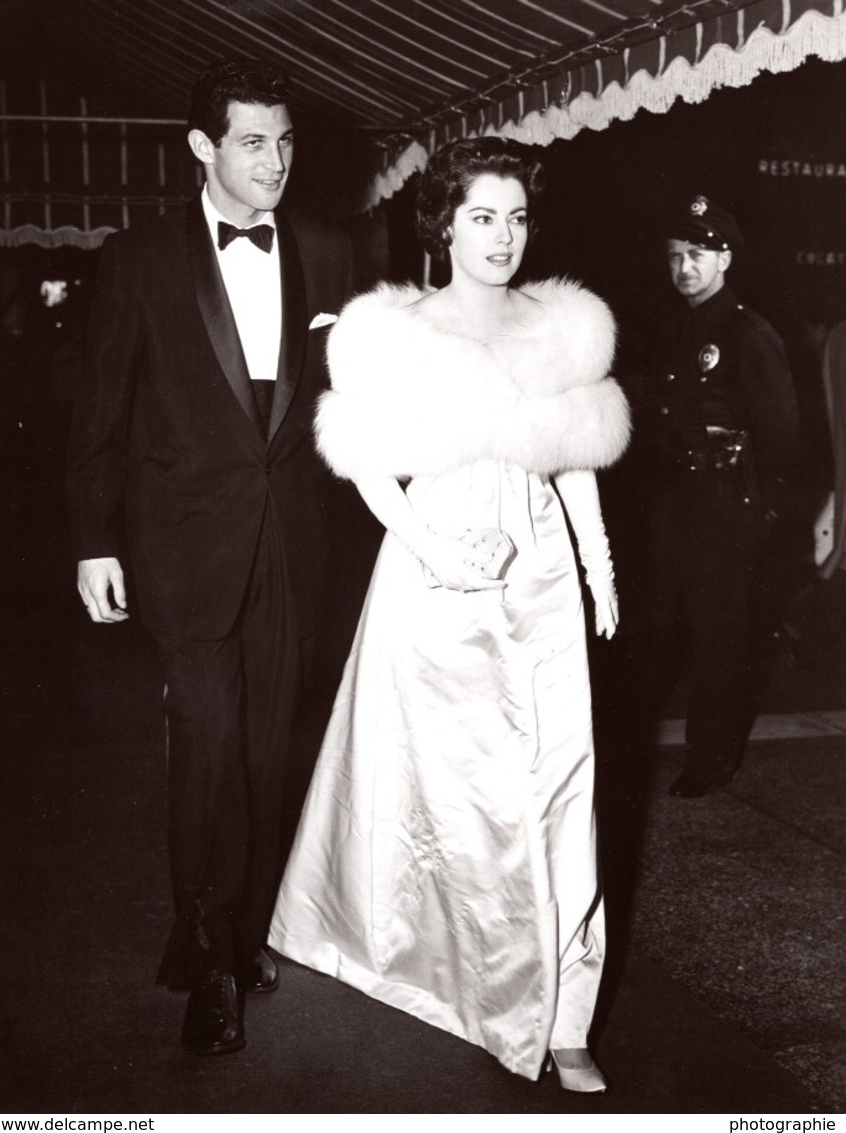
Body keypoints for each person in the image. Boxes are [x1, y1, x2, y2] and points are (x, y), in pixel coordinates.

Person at [270, 137, 630, 1090]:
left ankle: (563, 1014)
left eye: (515, 217)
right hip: (433, 568)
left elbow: (574, 453)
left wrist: (595, 565)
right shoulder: (391, 329)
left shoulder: (563, 325)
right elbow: (367, 464)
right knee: (451, 790)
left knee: (557, 781)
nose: (502, 236)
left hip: (539, 569)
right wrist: (432, 549)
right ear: (442, 223)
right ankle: (466, 981)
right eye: (482, 216)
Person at [66, 58, 353, 1055]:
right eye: (251, 142)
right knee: (209, 749)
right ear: (202, 147)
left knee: (272, 755)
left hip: (294, 547)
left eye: (283, 141)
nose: (274, 162)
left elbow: (356, 401)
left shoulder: (328, 248)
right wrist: (94, 541)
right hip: (184, 549)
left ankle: (242, 922)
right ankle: (210, 956)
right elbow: (98, 413)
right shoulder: (139, 256)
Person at [630, 194, 799, 798]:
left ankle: (711, 758)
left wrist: (762, 510)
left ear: (725, 260)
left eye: (697, 255)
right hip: (674, 501)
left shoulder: (746, 332)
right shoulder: (672, 328)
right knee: (664, 627)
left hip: (725, 504)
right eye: (675, 256)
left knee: (718, 636)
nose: (684, 268)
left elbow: (782, 435)